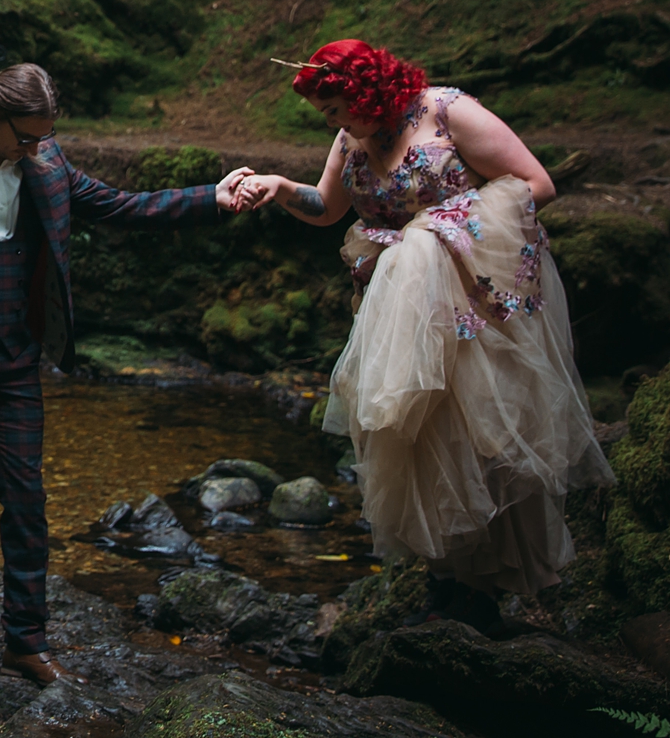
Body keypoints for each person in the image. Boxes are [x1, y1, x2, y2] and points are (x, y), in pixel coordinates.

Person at [0, 63, 259, 686]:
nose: (35, 149)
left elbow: (125, 206)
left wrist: (211, 196)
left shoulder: (46, 162)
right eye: (25, 137)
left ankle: (27, 641)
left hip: (17, 359)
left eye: (43, 138)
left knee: (26, 500)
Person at [242, 39, 613, 628]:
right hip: (401, 316)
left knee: (479, 433)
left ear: (364, 91)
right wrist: (281, 188)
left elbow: (535, 185)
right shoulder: (350, 139)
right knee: (416, 434)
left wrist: (431, 234)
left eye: (334, 107)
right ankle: (444, 584)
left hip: (475, 303)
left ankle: (486, 593)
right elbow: (330, 208)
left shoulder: (446, 112)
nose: (331, 122)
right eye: (325, 114)